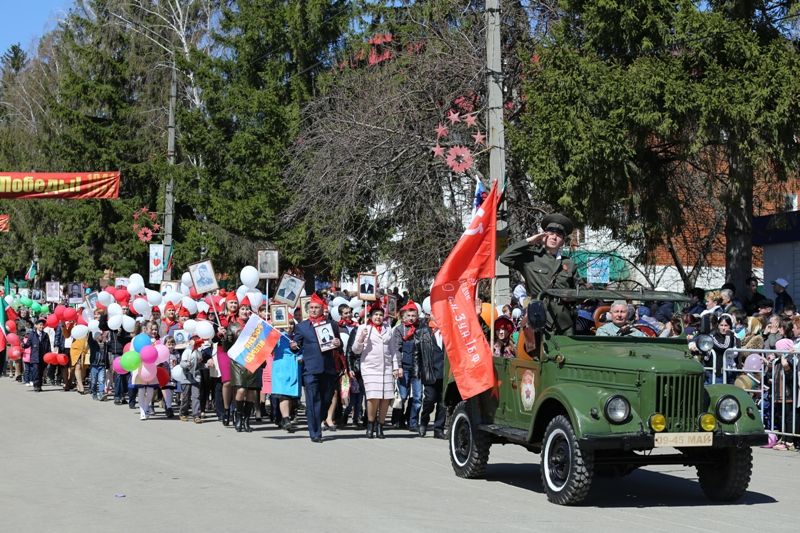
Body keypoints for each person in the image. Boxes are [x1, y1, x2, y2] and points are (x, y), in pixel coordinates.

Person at [498, 213, 583, 334]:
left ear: (563, 241)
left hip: (563, 322)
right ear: (544, 235)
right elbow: (505, 257)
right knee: (536, 352)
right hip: (537, 318)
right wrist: (529, 241)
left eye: (559, 235)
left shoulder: (569, 264)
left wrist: (571, 297)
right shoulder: (531, 258)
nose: (554, 238)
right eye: (551, 234)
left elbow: (581, 289)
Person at [290, 293, 342, 442]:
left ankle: (320, 417)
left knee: (325, 399)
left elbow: (339, 345)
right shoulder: (302, 327)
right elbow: (296, 345)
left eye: (316, 308)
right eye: (311, 308)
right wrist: (293, 346)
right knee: (313, 400)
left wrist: (339, 343)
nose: (313, 310)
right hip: (310, 369)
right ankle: (315, 432)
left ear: (322, 309)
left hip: (328, 368)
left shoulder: (331, 325)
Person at [351, 303, 396, 439]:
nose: (378, 317)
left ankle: (380, 426)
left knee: (386, 398)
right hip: (370, 368)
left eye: (381, 314)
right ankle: (370, 424)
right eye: (376, 314)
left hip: (386, 368)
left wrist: (396, 366)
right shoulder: (364, 328)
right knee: (373, 397)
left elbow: (393, 349)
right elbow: (355, 350)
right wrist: (361, 338)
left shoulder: (388, 329)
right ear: (370, 316)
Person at [389, 300, 423, 432]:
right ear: (403, 317)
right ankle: (398, 418)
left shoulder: (421, 329)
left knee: (417, 397)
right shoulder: (398, 330)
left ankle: (413, 421)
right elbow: (396, 349)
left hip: (417, 368)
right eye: (408, 315)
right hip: (404, 366)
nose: (411, 318)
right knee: (403, 396)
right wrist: (398, 366)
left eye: (413, 315)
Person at [418, 315, 446, 438]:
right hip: (430, 372)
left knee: (443, 403)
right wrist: (417, 371)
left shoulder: (448, 332)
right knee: (429, 400)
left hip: (445, 373)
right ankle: (423, 422)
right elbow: (416, 353)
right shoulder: (423, 332)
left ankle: (438, 429)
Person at [22, 318, 50, 392]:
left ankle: (39, 385)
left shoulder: (45, 335)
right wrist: (23, 345)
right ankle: (36, 385)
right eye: (40, 325)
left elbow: (48, 346)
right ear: (36, 326)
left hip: (43, 356)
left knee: (41, 371)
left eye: (42, 325)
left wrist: (49, 354)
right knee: (35, 371)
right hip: (35, 356)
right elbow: (28, 344)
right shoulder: (32, 335)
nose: (42, 326)